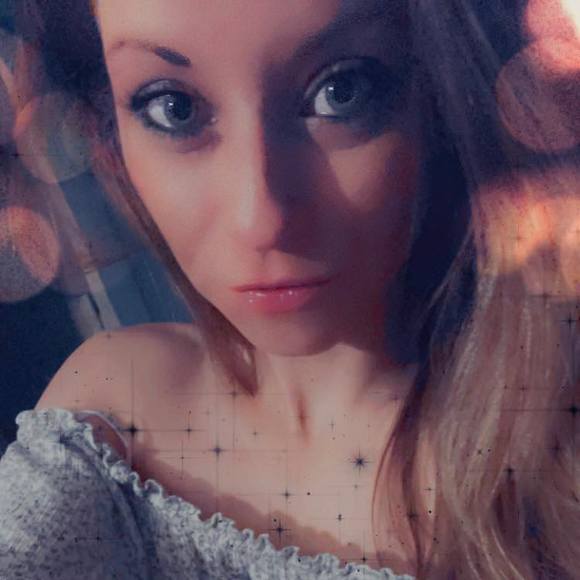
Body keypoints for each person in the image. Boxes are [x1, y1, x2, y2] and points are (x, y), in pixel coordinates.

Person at [0, 0, 578, 578]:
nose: (261, 219)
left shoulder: (556, 473)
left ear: (442, 91)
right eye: (174, 108)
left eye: (342, 92)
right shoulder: (113, 409)